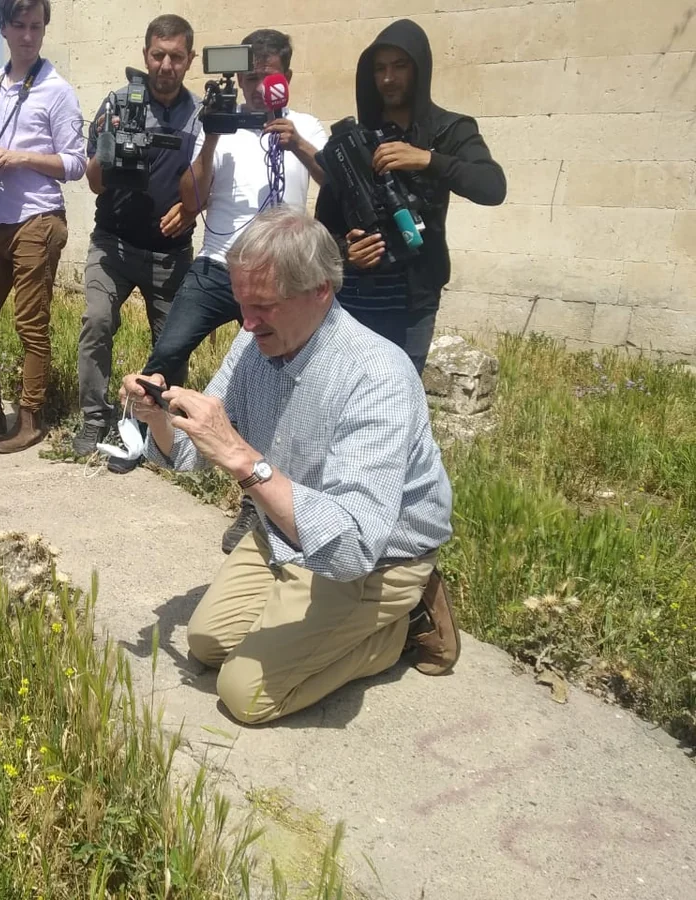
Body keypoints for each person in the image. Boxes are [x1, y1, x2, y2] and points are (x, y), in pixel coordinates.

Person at [121, 206, 458, 726]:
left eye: (264, 306)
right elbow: (190, 455)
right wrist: (159, 416)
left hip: (377, 556)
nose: (247, 321)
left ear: (321, 290)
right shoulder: (253, 344)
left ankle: (401, 624)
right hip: (285, 527)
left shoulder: (376, 377)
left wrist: (242, 458)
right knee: (206, 643)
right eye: (241, 303)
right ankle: (315, 614)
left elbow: (351, 547)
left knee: (244, 693)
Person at [133, 28, 329, 555]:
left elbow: (336, 183)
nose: (250, 89)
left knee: (280, 390)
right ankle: (151, 439)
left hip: (281, 278)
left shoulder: (306, 125)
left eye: (262, 78)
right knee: (168, 350)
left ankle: (256, 506)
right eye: (245, 78)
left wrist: (300, 145)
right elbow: (191, 198)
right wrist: (215, 135)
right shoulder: (215, 125)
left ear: (284, 75)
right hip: (218, 267)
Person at [315, 18, 506, 373]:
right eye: (380, 68)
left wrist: (427, 159)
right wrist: (345, 252)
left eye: (400, 66)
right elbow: (322, 226)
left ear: (419, 69)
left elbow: (492, 187)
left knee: (401, 397)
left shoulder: (449, 130)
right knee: (345, 393)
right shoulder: (353, 142)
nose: (389, 78)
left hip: (414, 298)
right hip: (355, 296)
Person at [0, 0, 85, 454]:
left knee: (30, 324)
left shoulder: (56, 90)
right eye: (20, 25)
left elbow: (76, 164)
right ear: (3, 28)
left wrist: (22, 157)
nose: (29, 35)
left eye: (37, 26)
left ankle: (30, 418)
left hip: (38, 219)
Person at [70, 14, 202, 458]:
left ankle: (159, 427)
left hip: (170, 253)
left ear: (189, 60)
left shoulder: (200, 116)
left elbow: (208, 180)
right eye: (158, 55)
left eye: (176, 57)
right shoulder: (116, 103)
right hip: (113, 244)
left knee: (173, 343)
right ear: (145, 54)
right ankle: (94, 418)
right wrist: (106, 146)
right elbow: (94, 182)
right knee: (96, 322)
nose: (166, 65)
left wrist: (190, 207)